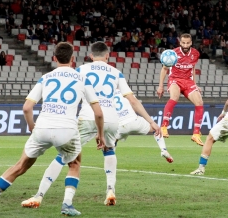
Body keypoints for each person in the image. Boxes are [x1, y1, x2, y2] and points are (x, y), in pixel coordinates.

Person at [21, 41, 160, 209]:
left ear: (91, 56)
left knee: (65, 155)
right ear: (108, 56)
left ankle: (39, 195)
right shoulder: (117, 73)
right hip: (111, 119)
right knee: (109, 150)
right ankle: (110, 189)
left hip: (88, 116)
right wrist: (151, 121)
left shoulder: (80, 70)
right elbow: (132, 100)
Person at [0, 42, 104, 216]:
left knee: (20, 166)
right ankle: (67, 204)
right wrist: (100, 135)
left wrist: (32, 127)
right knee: (74, 163)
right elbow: (98, 113)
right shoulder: (82, 79)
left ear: (54, 58)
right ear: (73, 59)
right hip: (66, 129)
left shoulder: (45, 78)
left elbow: (26, 108)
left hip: (42, 127)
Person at [157, 33, 205, 146]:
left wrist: (195, 84)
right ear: (180, 42)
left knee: (199, 102)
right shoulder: (173, 54)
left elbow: (192, 68)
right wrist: (160, 86)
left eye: (188, 43)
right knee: (175, 97)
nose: (185, 45)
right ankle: (164, 127)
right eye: (183, 42)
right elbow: (164, 69)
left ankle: (196, 134)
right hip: (175, 79)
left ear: (191, 43)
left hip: (188, 81)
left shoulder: (195, 53)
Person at [114, 90, 173, 162]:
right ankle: (163, 150)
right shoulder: (126, 91)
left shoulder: (108, 94)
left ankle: (110, 162)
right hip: (134, 121)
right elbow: (134, 104)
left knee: (113, 141)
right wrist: (151, 122)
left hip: (121, 125)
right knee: (156, 129)